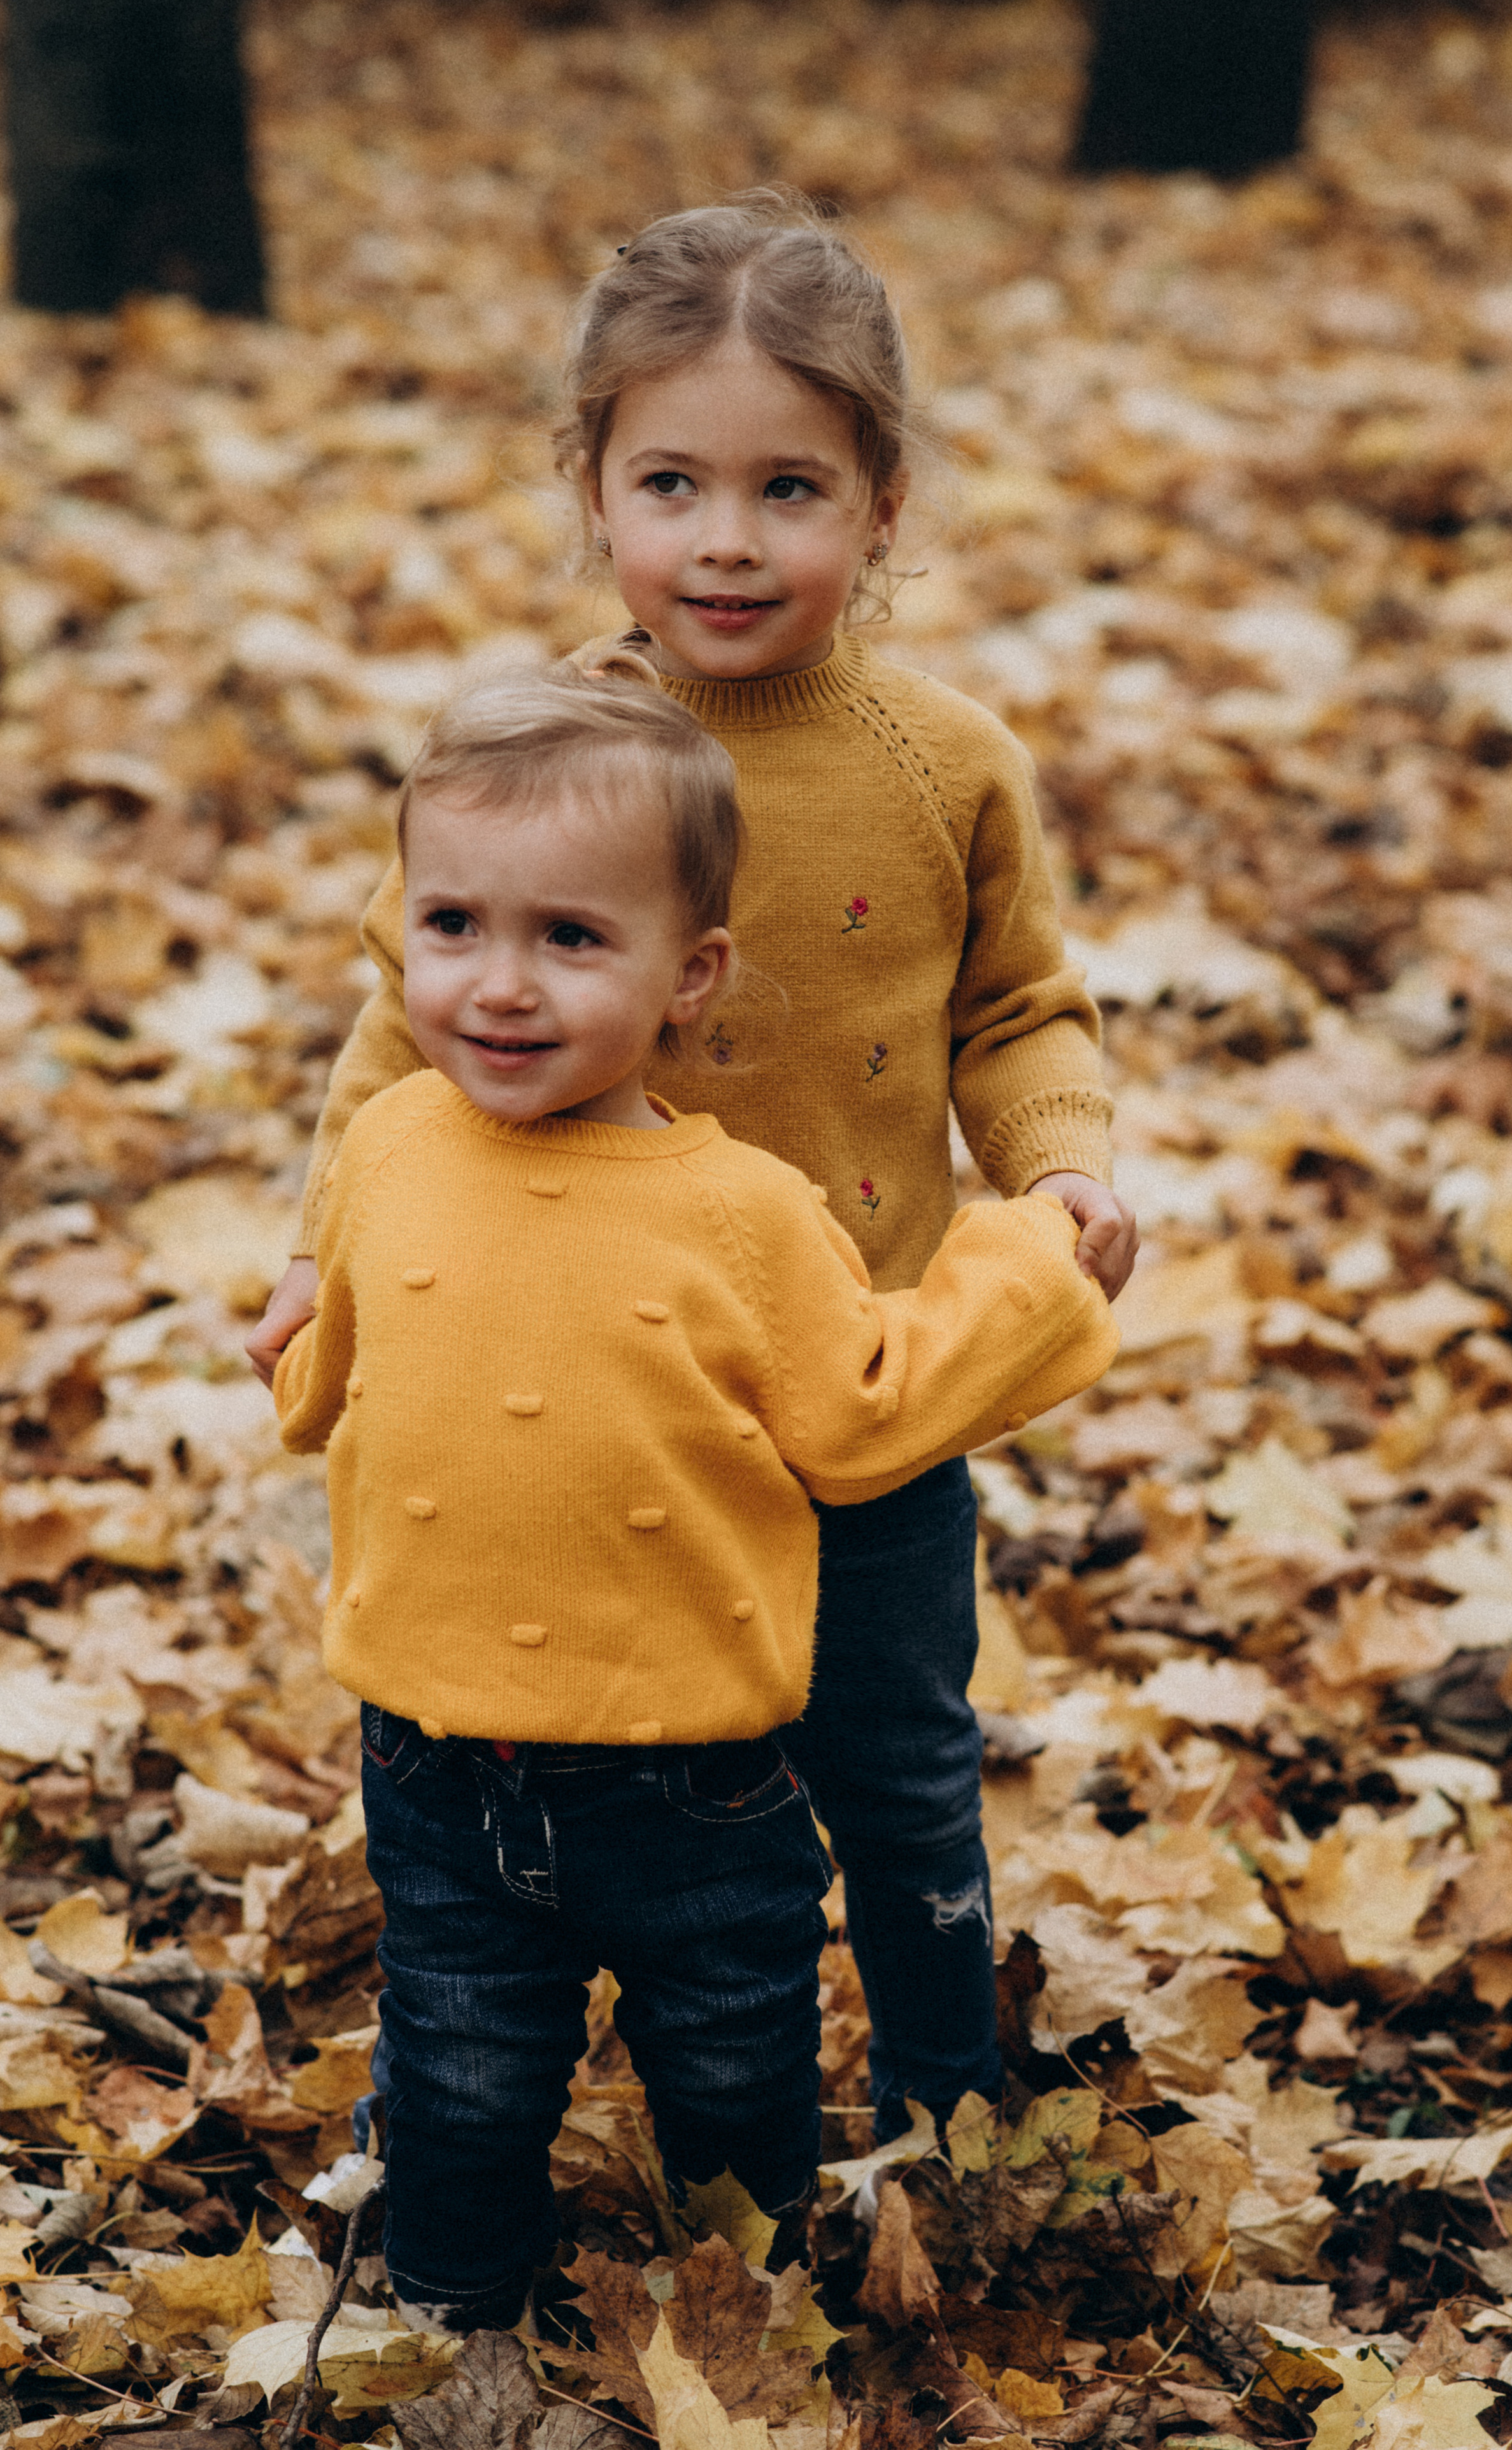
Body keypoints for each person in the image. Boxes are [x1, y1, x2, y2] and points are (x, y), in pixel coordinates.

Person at [251, 193, 1137, 2150]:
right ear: (593, 489)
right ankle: (591, 2068)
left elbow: (1021, 1006)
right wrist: (328, 1255)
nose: (726, 540)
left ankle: (938, 2102)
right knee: (617, 1771)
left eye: (790, 488)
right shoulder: (536, 762)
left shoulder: (944, 764)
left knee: (896, 1762)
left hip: (868, 1383)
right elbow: (405, 1031)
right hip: (601, 1398)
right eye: (672, 481)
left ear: (882, 500)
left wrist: (1058, 1173)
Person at [275, 664, 1119, 2332]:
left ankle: (752, 2317)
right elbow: (341, 1373)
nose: (500, 989)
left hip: (691, 1776)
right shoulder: (387, 1145)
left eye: (572, 943)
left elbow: (865, 1414)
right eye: (454, 926)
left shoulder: (742, 1209)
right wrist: (303, 1322)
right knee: (458, 2056)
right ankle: (445, 2320)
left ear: (691, 976)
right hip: (439, 1759)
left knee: (732, 2056)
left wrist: (1030, 1254)